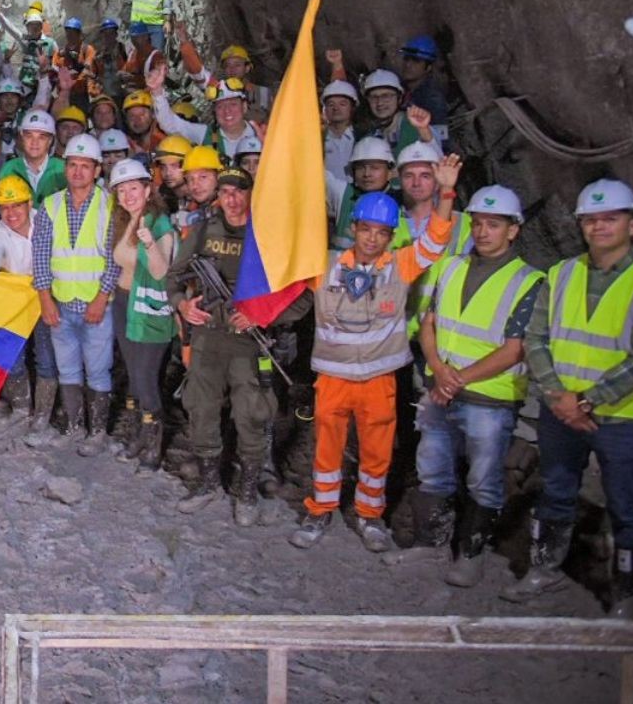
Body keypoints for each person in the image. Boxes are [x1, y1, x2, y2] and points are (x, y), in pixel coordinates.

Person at [289, 153, 462, 552]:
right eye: (365, 229)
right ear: (354, 229)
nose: (372, 238)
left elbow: (436, 239)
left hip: (378, 380)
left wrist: (447, 191)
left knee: (376, 452)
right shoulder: (326, 265)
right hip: (332, 378)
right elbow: (288, 246)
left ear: (390, 236)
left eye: (381, 232)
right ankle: (320, 510)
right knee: (326, 448)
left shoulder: (398, 267)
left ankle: (370, 517)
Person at [505, 179, 633, 613]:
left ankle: (626, 592)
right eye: (591, 220)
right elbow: (536, 338)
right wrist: (558, 396)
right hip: (559, 409)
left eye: (610, 219)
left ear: (631, 225)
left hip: (619, 416)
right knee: (555, 492)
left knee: (626, 506)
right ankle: (543, 569)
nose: (599, 228)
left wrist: (587, 400)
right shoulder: (562, 274)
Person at [414, 185, 543, 587]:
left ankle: (470, 554)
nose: (483, 232)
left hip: (490, 398)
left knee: (483, 479)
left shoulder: (528, 281)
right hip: (441, 387)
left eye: (494, 224)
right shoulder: (449, 266)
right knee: (432, 469)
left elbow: (515, 349)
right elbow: (428, 323)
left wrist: (455, 380)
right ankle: (429, 545)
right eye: (478, 223)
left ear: (513, 230)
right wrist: (436, 367)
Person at [169, 169, 309, 523]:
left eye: (239, 192)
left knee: (253, 414)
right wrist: (183, 306)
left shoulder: (269, 237)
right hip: (208, 339)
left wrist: (263, 316)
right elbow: (173, 278)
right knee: (201, 409)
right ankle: (208, 483)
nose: (231, 200)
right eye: (225, 192)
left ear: (252, 195)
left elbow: (302, 295)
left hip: (251, 344)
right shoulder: (203, 231)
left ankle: (246, 490)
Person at [30, 134, 119, 453]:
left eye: (86, 166)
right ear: (64, 167)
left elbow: (115, 256)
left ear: (97, 170)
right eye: (72, 165)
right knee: (67, 367)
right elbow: (39, 255)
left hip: (97, 306)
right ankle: (75, 426)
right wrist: (45, 299)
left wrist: (101, 297)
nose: (78, 171)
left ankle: (97, 432)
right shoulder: (50, 205)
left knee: (97, 369)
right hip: (61, 303)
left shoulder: (110, 204)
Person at [109, 160, 177, 471]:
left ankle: (153, 442)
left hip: (149, 308)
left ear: (148, 189)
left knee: (146, 377)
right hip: (123, 303)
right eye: (121, 190)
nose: (127, 194)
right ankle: (138, 434)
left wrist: (149, 243)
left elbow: (161, 271)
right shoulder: (124, 220)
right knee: (134, 375)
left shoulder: (160, 224)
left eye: (133, 188)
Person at [0, 176, 53, 426]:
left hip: (45, 298)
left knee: (46, 357)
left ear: (29, 204)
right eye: (5, 207)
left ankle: (42, 414)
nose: (11, 213)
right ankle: (21, 407)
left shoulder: (47, 223)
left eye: (17, 205)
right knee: (12, 356)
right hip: (15, 304)